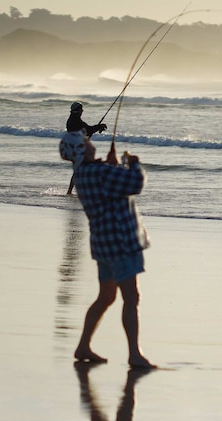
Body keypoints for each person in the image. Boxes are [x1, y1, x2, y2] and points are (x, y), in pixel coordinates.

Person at [59, 130, 155, 369]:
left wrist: (114, 167)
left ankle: (83, 346)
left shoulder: (83, 174)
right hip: (120, 243)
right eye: (86, 143)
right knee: (131, 297)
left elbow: (110, 187)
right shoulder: (101, 172)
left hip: (103, 245)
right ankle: (135, 354)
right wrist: (133, 163)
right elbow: (135, 183)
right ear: (81, 150)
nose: (91, 144)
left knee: (106, 297)